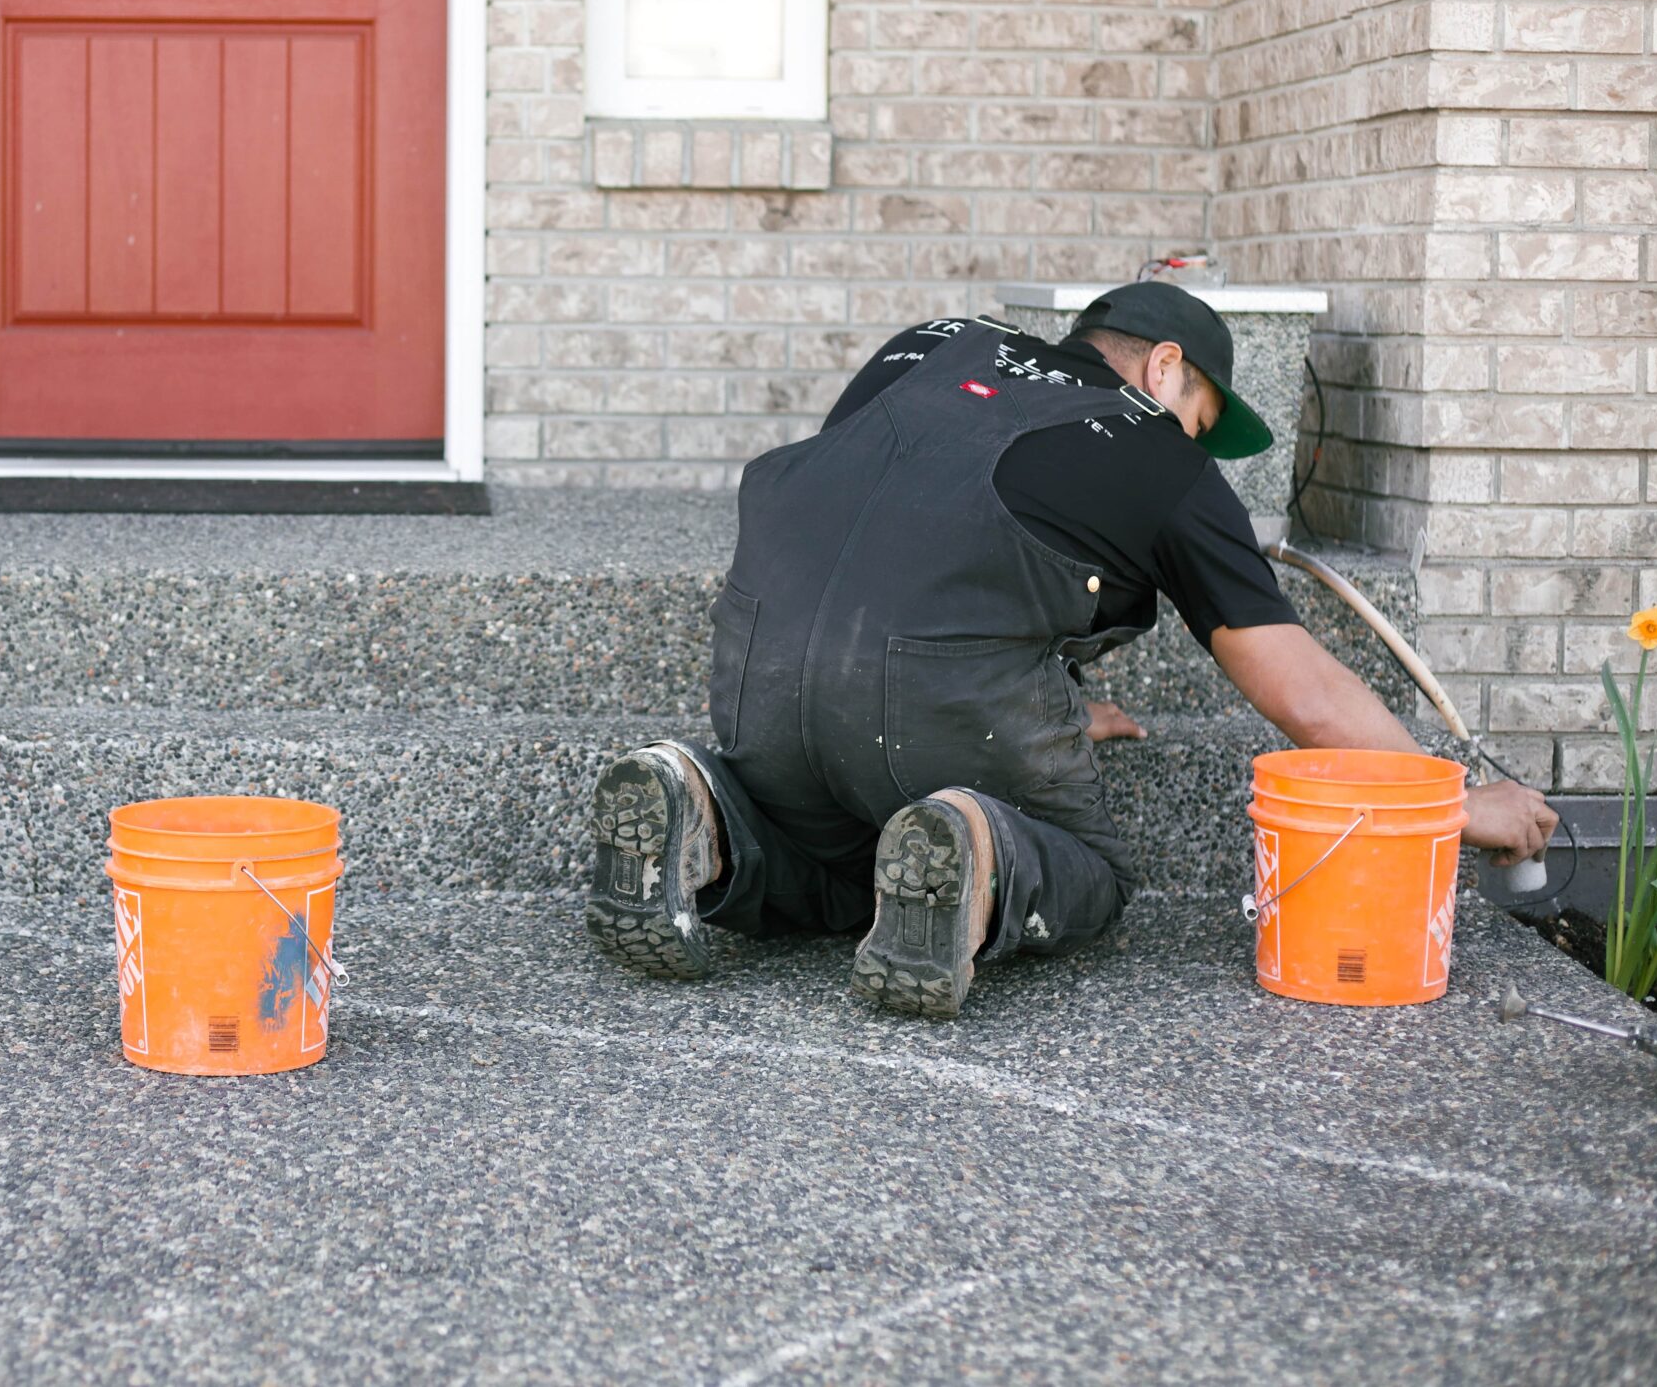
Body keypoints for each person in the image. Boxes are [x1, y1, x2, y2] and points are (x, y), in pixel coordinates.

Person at [583, 282, 1560, 1018]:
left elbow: (899, 538)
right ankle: (980, 845)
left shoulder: (928, 347)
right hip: (931, 701)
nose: (1195, 442)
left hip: (757, 663)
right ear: (1165, 368)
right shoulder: (1158, 455)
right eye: (1202, 419)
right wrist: (1451, 804)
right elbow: (1299, 685)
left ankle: (707, 808)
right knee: (1088, 866)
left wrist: (1036, 705)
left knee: (843, 870)